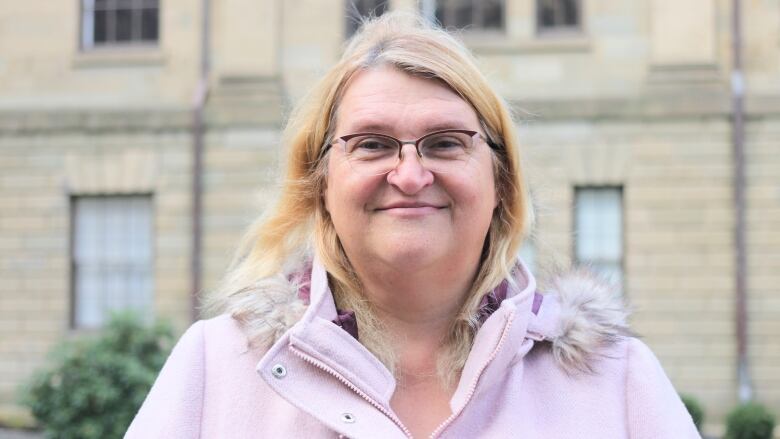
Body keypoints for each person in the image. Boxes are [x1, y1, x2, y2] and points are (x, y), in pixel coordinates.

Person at [126, 12, 700, 439]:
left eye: (446, 143)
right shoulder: (214, 369)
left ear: (501, 183)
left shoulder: (618, 382)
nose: (409, 174)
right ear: (319, 182)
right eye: (372, 144)